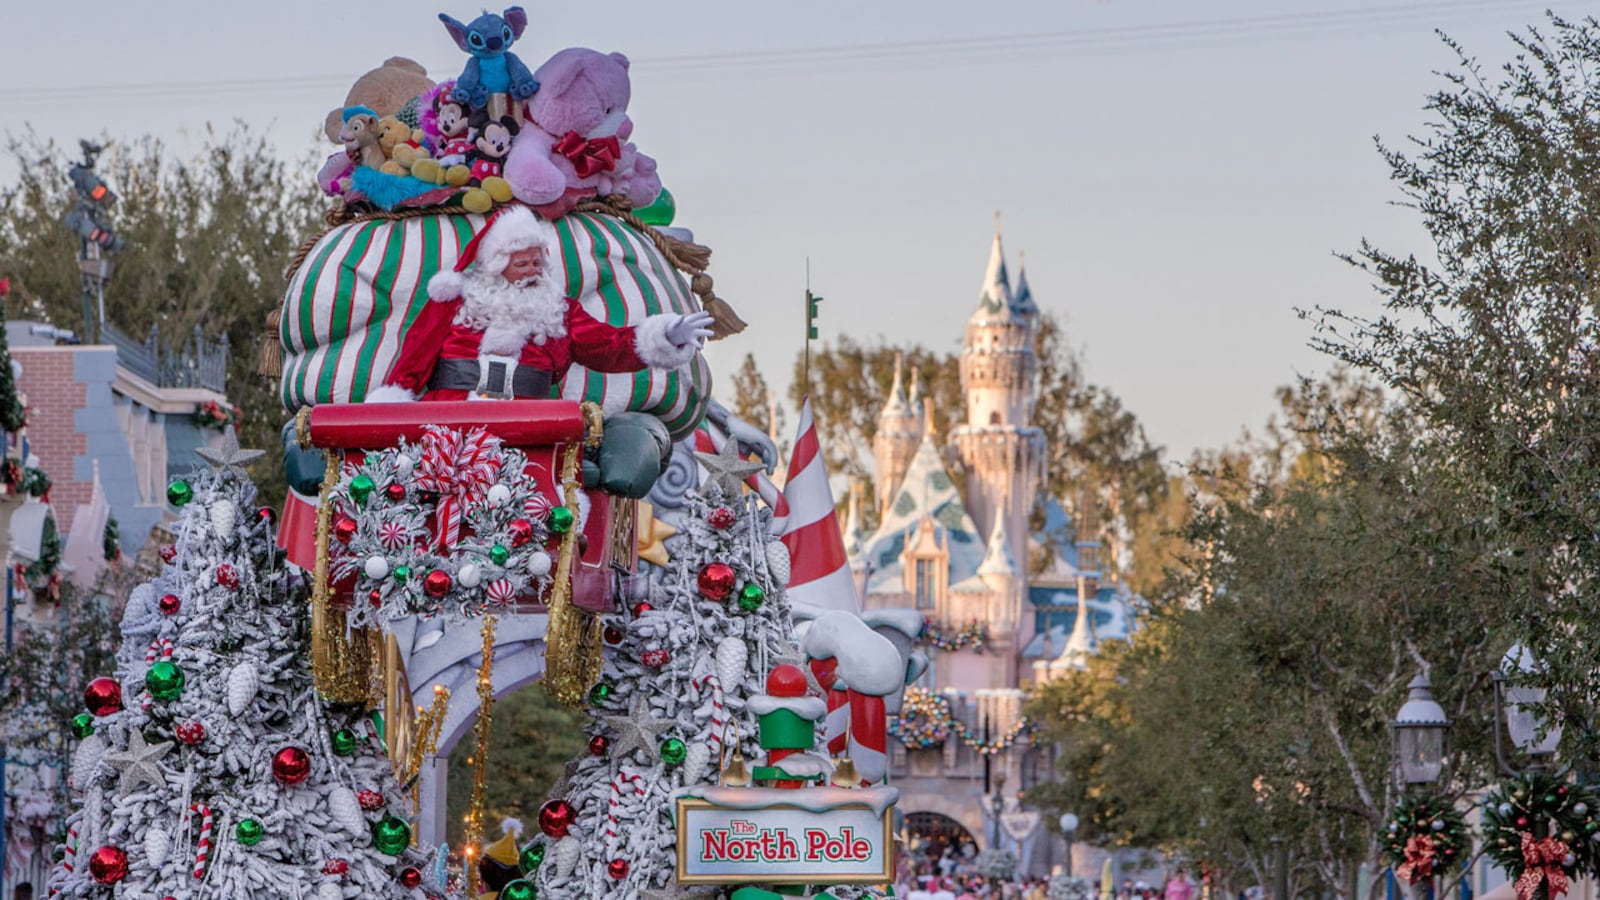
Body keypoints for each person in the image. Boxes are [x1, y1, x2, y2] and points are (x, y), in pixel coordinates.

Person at [371, 204, 713, 402]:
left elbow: (609, 345)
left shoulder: (558, 311)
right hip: (448, 419)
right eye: (522, 264)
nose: (532, 271)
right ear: (496, 265)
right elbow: (415, 357)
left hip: (529, 424)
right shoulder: (456, 301)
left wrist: (665, 336)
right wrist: (394, 404)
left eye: (537, 263)